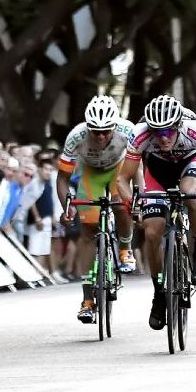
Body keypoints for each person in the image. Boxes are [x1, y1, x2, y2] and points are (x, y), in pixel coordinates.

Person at [117, 94, 196, 330]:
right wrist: (132, 205)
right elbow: (122, 179)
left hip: (191, 162)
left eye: (168, 132)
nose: (163, 138)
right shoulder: (140, 135)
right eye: (157, 133)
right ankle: (159, 292)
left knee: (190, 194)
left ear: (179, 125)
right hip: (158, 171)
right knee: (151, 233)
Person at [56, 95, 136, 323]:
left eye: (106, 131)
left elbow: (138, 167)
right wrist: (67, 208)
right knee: (88, 231)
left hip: (119, 170)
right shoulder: (76, 136)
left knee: (121, 205)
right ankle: (87, 300)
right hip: (91, 174)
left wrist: (137, 198)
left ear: (114, 126)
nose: (100, 136)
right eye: (95, 131)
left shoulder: (127, 131)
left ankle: (125, 248)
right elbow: (62, 178)